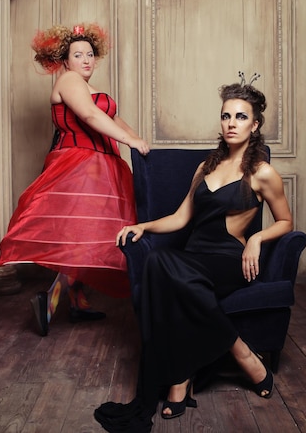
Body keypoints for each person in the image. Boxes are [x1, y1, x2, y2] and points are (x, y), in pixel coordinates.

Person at [94, 74, 293, 432]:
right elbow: (181, 217)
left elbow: (286, 221)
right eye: (226, 116)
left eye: (241, 117)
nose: (232, 123)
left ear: (256, 124)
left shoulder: (263, 173)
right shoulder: (206, 167)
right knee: (159, 262)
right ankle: (229, 356)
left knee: (165, 269)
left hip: (227, 260)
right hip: (193, 256)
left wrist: (256, 240)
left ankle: (187, 377)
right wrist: (144, 226)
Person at [0, 23, 149, 336]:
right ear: (64, 61)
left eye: (90, 54)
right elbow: (92, 117)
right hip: (80, 165)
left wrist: (141, 142)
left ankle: (77, 302)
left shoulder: (88, 87)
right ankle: (50, 300)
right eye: (78, 55)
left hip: (102, 166)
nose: (86, 60)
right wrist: (130, 142)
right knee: (83, 236)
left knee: (91, 237)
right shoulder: (68, 80)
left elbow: (112, 118)